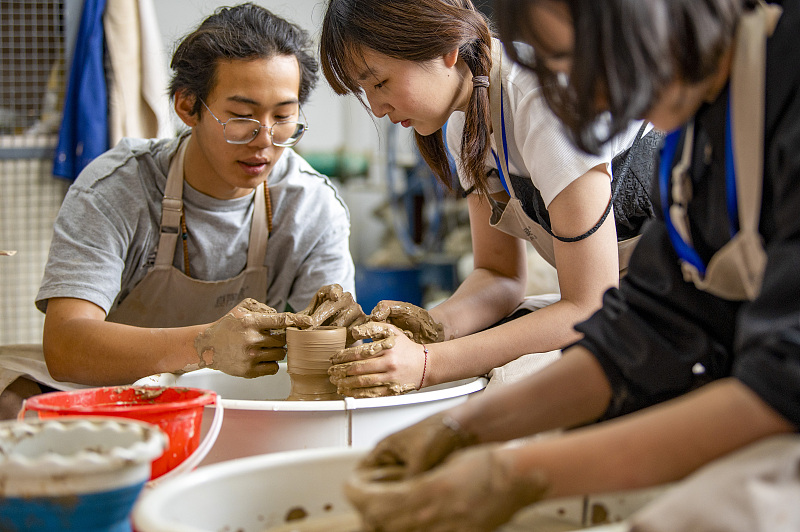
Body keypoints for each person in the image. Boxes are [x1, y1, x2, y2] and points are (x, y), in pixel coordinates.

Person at [341, 0, 800, 530]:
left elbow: (782, 385)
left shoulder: (779, 80)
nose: (576, 103)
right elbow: (647, 328)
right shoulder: (696, 131)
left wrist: (515, 473)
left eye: (570, 59)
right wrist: (459, 426)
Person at [0, 3, 360, 419]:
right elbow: (66, 344)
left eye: (283, 117)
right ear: (187, 106)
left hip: (236, 399)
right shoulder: (117, 188)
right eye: (241, 117)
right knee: (13, 404)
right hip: (118, 396)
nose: (264, 140)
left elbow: (332, 341)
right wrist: (206, 344)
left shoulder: (311, 206)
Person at [318, 0, 662, 398]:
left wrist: (430, 363)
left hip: (684, 301)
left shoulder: (541, 99)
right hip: (622, 303)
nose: (377, 109)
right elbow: (499, 275)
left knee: (506, 387)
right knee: (477, 365)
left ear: (445, 47)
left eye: (380, 83)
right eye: (365, 91)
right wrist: (434, 325)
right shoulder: (464, 125)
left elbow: (588, 305)